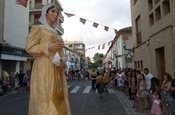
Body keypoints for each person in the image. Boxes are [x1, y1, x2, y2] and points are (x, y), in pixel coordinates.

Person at [25, 3, 71, 115]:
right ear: (46, 13)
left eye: (57, 12)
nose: (56, 14)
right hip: (43, 68)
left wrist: (63, 61)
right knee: (45, 98)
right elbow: (29, 47)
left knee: (58, 96)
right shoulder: (38, 29)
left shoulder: (56, 33)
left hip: (57, 69)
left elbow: (60, 53)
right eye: (53, 11)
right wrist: (47, 46)